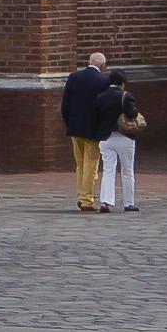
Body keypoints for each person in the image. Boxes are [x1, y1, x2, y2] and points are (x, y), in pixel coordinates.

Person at [59, 47, 136, 213]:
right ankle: (86, 199)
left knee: (79, 164)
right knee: (90, 165)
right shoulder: (103, 80)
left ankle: (81, 195)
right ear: (103, 65)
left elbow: (65, 104)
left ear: (89, 62)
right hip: (92, 130)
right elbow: (105, 106)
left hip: (74, 127)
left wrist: (69, 123)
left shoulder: (74, 77)